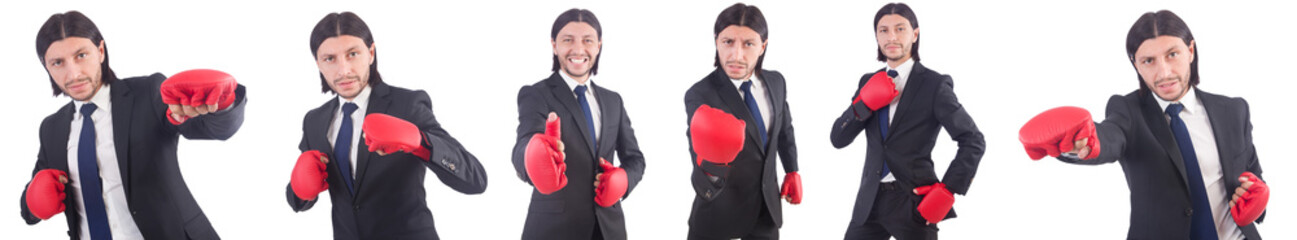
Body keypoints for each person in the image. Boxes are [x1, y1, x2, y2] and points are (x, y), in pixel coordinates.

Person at [1018, 10, 1268, 240]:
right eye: (1148, 61)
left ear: (1190, 50)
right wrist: (1082, 142)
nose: (1164, 73)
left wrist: (1259, 201)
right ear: (1135, 63)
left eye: (1173, 54)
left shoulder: (1234, 110)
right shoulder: (1127, 111)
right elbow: (1108, 137)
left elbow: (1253, 175)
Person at [20, 10, 247, 239]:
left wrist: (223, 103)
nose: (73, 74)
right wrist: (33, 203)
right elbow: (29, 207)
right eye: (58, 62)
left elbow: (214, 128)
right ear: (46, 66)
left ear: (100, 51)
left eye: (81, 55)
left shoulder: (147, 93)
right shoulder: (51, 128)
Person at [283, 12, 487, 239]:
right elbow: (297, 200)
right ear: (318, 63)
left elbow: (476, 179)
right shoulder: (314, 120)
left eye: (352, 54)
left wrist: (421, 142)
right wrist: (300, 188)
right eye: (330, 59)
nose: (343, 70)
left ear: (370, 53)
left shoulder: (407, 105)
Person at [830, 3, 986, 239]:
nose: (891, 37)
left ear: (914, 34)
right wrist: (864, 104)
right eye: (883, 30)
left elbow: (973, 139)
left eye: (900, 29)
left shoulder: (934, 85)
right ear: (876, 36)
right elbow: (838, 139)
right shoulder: (867, 82)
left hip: (914, 202)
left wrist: (949, 188)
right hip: (869, 202)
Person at [511, 8, 646, 240]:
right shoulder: (536, 94)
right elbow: (523, 145)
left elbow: (635, 159)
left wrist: (623, 181)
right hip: (553, 229)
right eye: (568, 40)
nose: (578, 49)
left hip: (608, 230)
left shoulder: (613, 100)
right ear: (554, 45)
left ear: (598, 46)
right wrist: (535, 156)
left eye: (587, 40)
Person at [683, 3, 802, 240]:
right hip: (718, 214)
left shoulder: (776, 82)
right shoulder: (700, 94)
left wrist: (792, 170)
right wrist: (713, 166)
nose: (736, 55)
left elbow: (785, 130)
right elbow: (698, 157)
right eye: (728, 42)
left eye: (748, 44)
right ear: (716, 41)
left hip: (766, 212)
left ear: (762, 46)